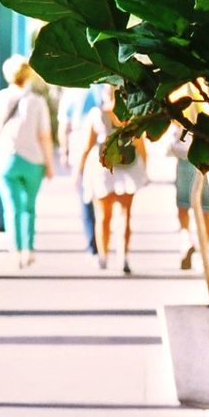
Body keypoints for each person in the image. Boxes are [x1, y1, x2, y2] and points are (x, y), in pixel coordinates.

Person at [0, 54, 54, 268]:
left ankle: (15, 249)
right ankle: (28, 249)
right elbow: (45, 136)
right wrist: (50, 164)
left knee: (11, 207)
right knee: (29, 207)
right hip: (33, 160)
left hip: (4, 160)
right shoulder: (37, 102)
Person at [77, 84, 147, 274]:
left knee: (103, 216)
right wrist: (145, 168)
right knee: (125, 215)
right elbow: (140, 144)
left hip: (103, 168)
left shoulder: (97, 114)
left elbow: (87, 146)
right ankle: (123, 257)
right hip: (128, 167)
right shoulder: (131, 115)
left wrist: (79, 170)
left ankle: (102, 257)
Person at [57, 85, 101, 254]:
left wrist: (64, 150)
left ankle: (92, 242)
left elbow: (64, 126)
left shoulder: (70, 93)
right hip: (99, 141)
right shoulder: (100, 88)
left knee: (84, 195)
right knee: (102, 192)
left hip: (78, 140)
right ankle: (102, 235)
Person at [166, 122, 209, 269]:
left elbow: (172, 146)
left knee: (189, 207)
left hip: (191, 162)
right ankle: (199, 246)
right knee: (201, 208)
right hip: (197, 162)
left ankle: (189, 242)